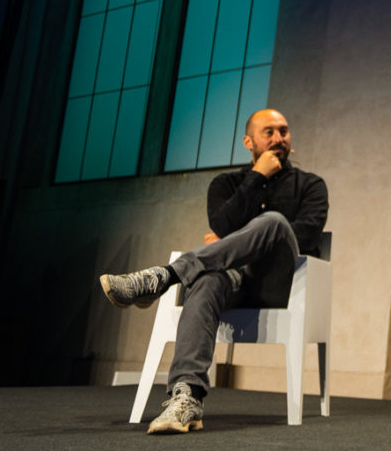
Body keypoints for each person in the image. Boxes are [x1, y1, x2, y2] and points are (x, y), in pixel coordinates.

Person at [98, 109, 329, 434]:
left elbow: (306, 235)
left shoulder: (311, 185)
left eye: (284, 131)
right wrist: (257, 177)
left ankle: (164, 277)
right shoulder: (227, 184)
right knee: (205, 279)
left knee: (274, 222)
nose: (279, 138)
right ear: (249, 141)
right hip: (231, 277)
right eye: (269, 132)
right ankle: (187, 396)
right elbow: (219, 223)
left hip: (278, 283)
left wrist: (240, 237)